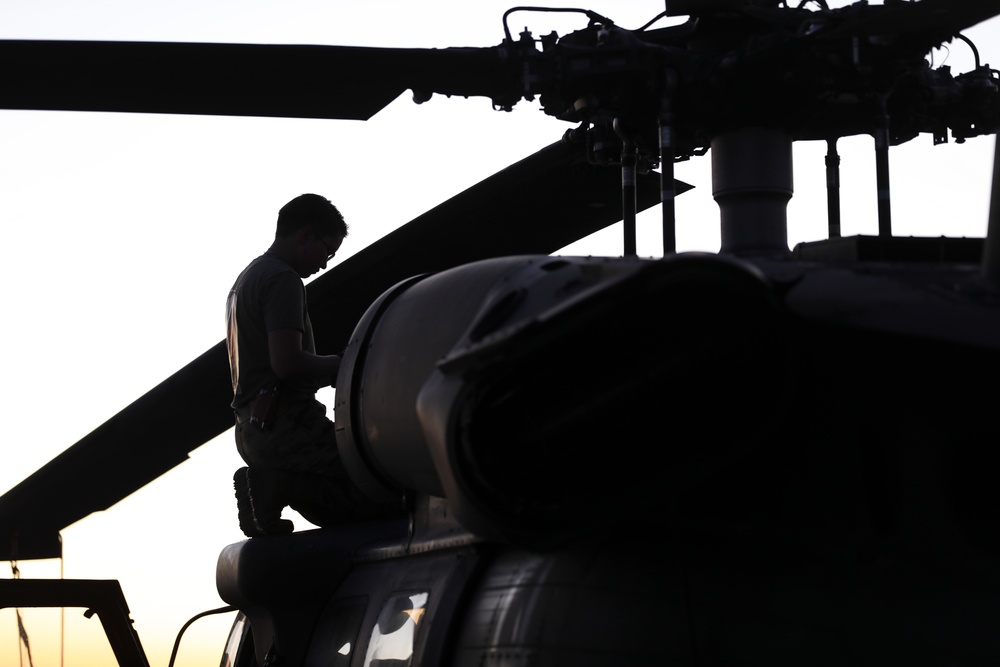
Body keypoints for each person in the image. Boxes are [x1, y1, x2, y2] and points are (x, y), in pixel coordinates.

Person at [225, 193, 396, 537]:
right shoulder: (282, 279)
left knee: (337, 502)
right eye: (327, 251)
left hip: (253, 427)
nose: (325, 264)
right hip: (290, 425)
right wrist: (343, 365)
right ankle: (278, 485)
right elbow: (286, 363)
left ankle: (268, 485)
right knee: (387, 496)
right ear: (305, 235)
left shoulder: (247, 279)